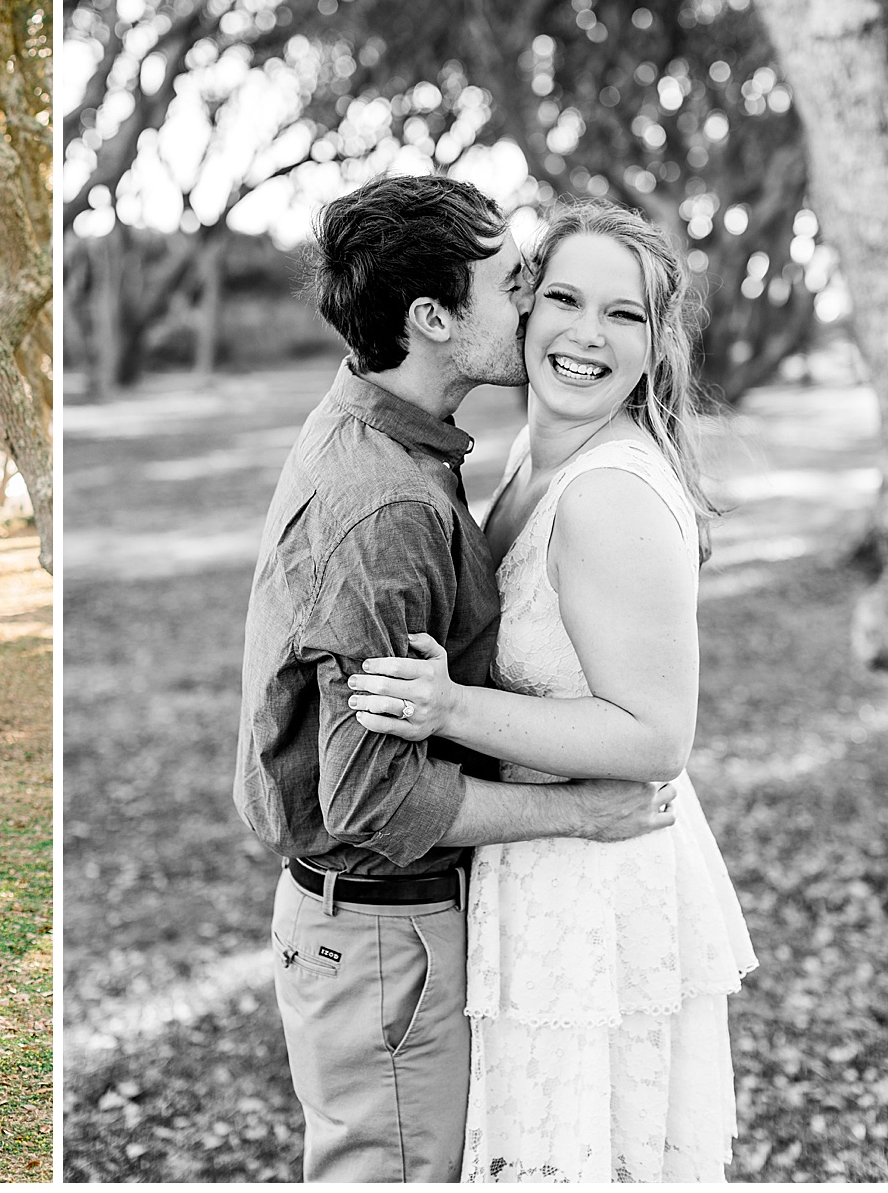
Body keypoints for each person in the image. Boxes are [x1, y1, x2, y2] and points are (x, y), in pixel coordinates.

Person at [233, 174, 680, 1183]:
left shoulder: (401, 439)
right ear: (434, 318)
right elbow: (373, 799)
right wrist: (580, 812)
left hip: (394, 931)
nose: (531, 306)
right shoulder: (388, 505)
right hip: (382, 937)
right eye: (517, 284)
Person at [344, 198, 756, 1181]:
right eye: (565, 299)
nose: (587, 335)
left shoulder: (610, 491)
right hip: (542, 856)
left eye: (624, 314)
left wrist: (451, 707)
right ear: (524, 308)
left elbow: (657, 737)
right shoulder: (538, 454)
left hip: (598, 884)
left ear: (655, 343)